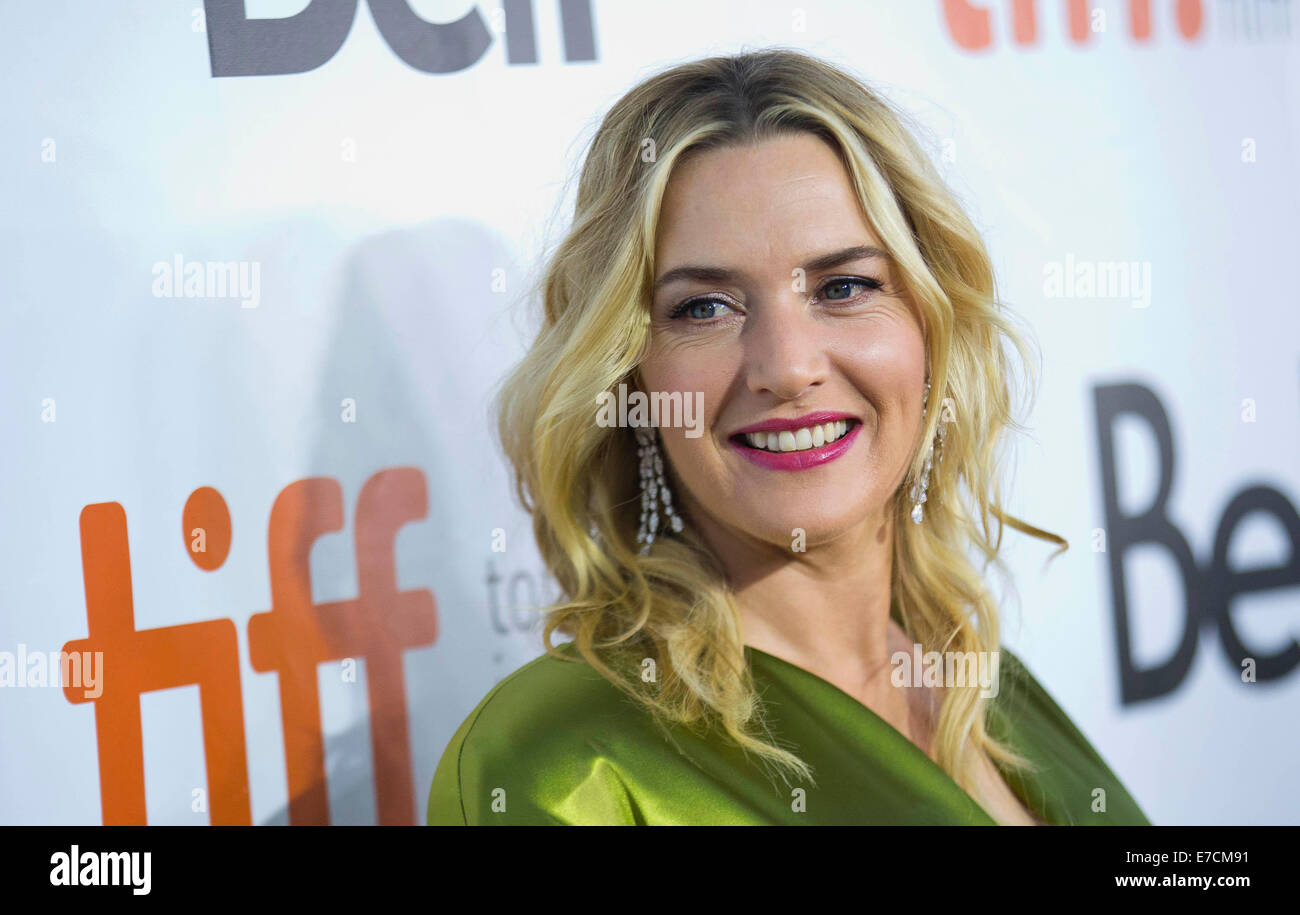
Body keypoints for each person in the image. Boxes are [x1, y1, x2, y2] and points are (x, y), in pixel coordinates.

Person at [427, 47, 1150, 825]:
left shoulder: (981, 680)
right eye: (704, 307)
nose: (787, 366)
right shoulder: (567, 764)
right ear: (627, 376)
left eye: (844, 287)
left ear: (932, 331)